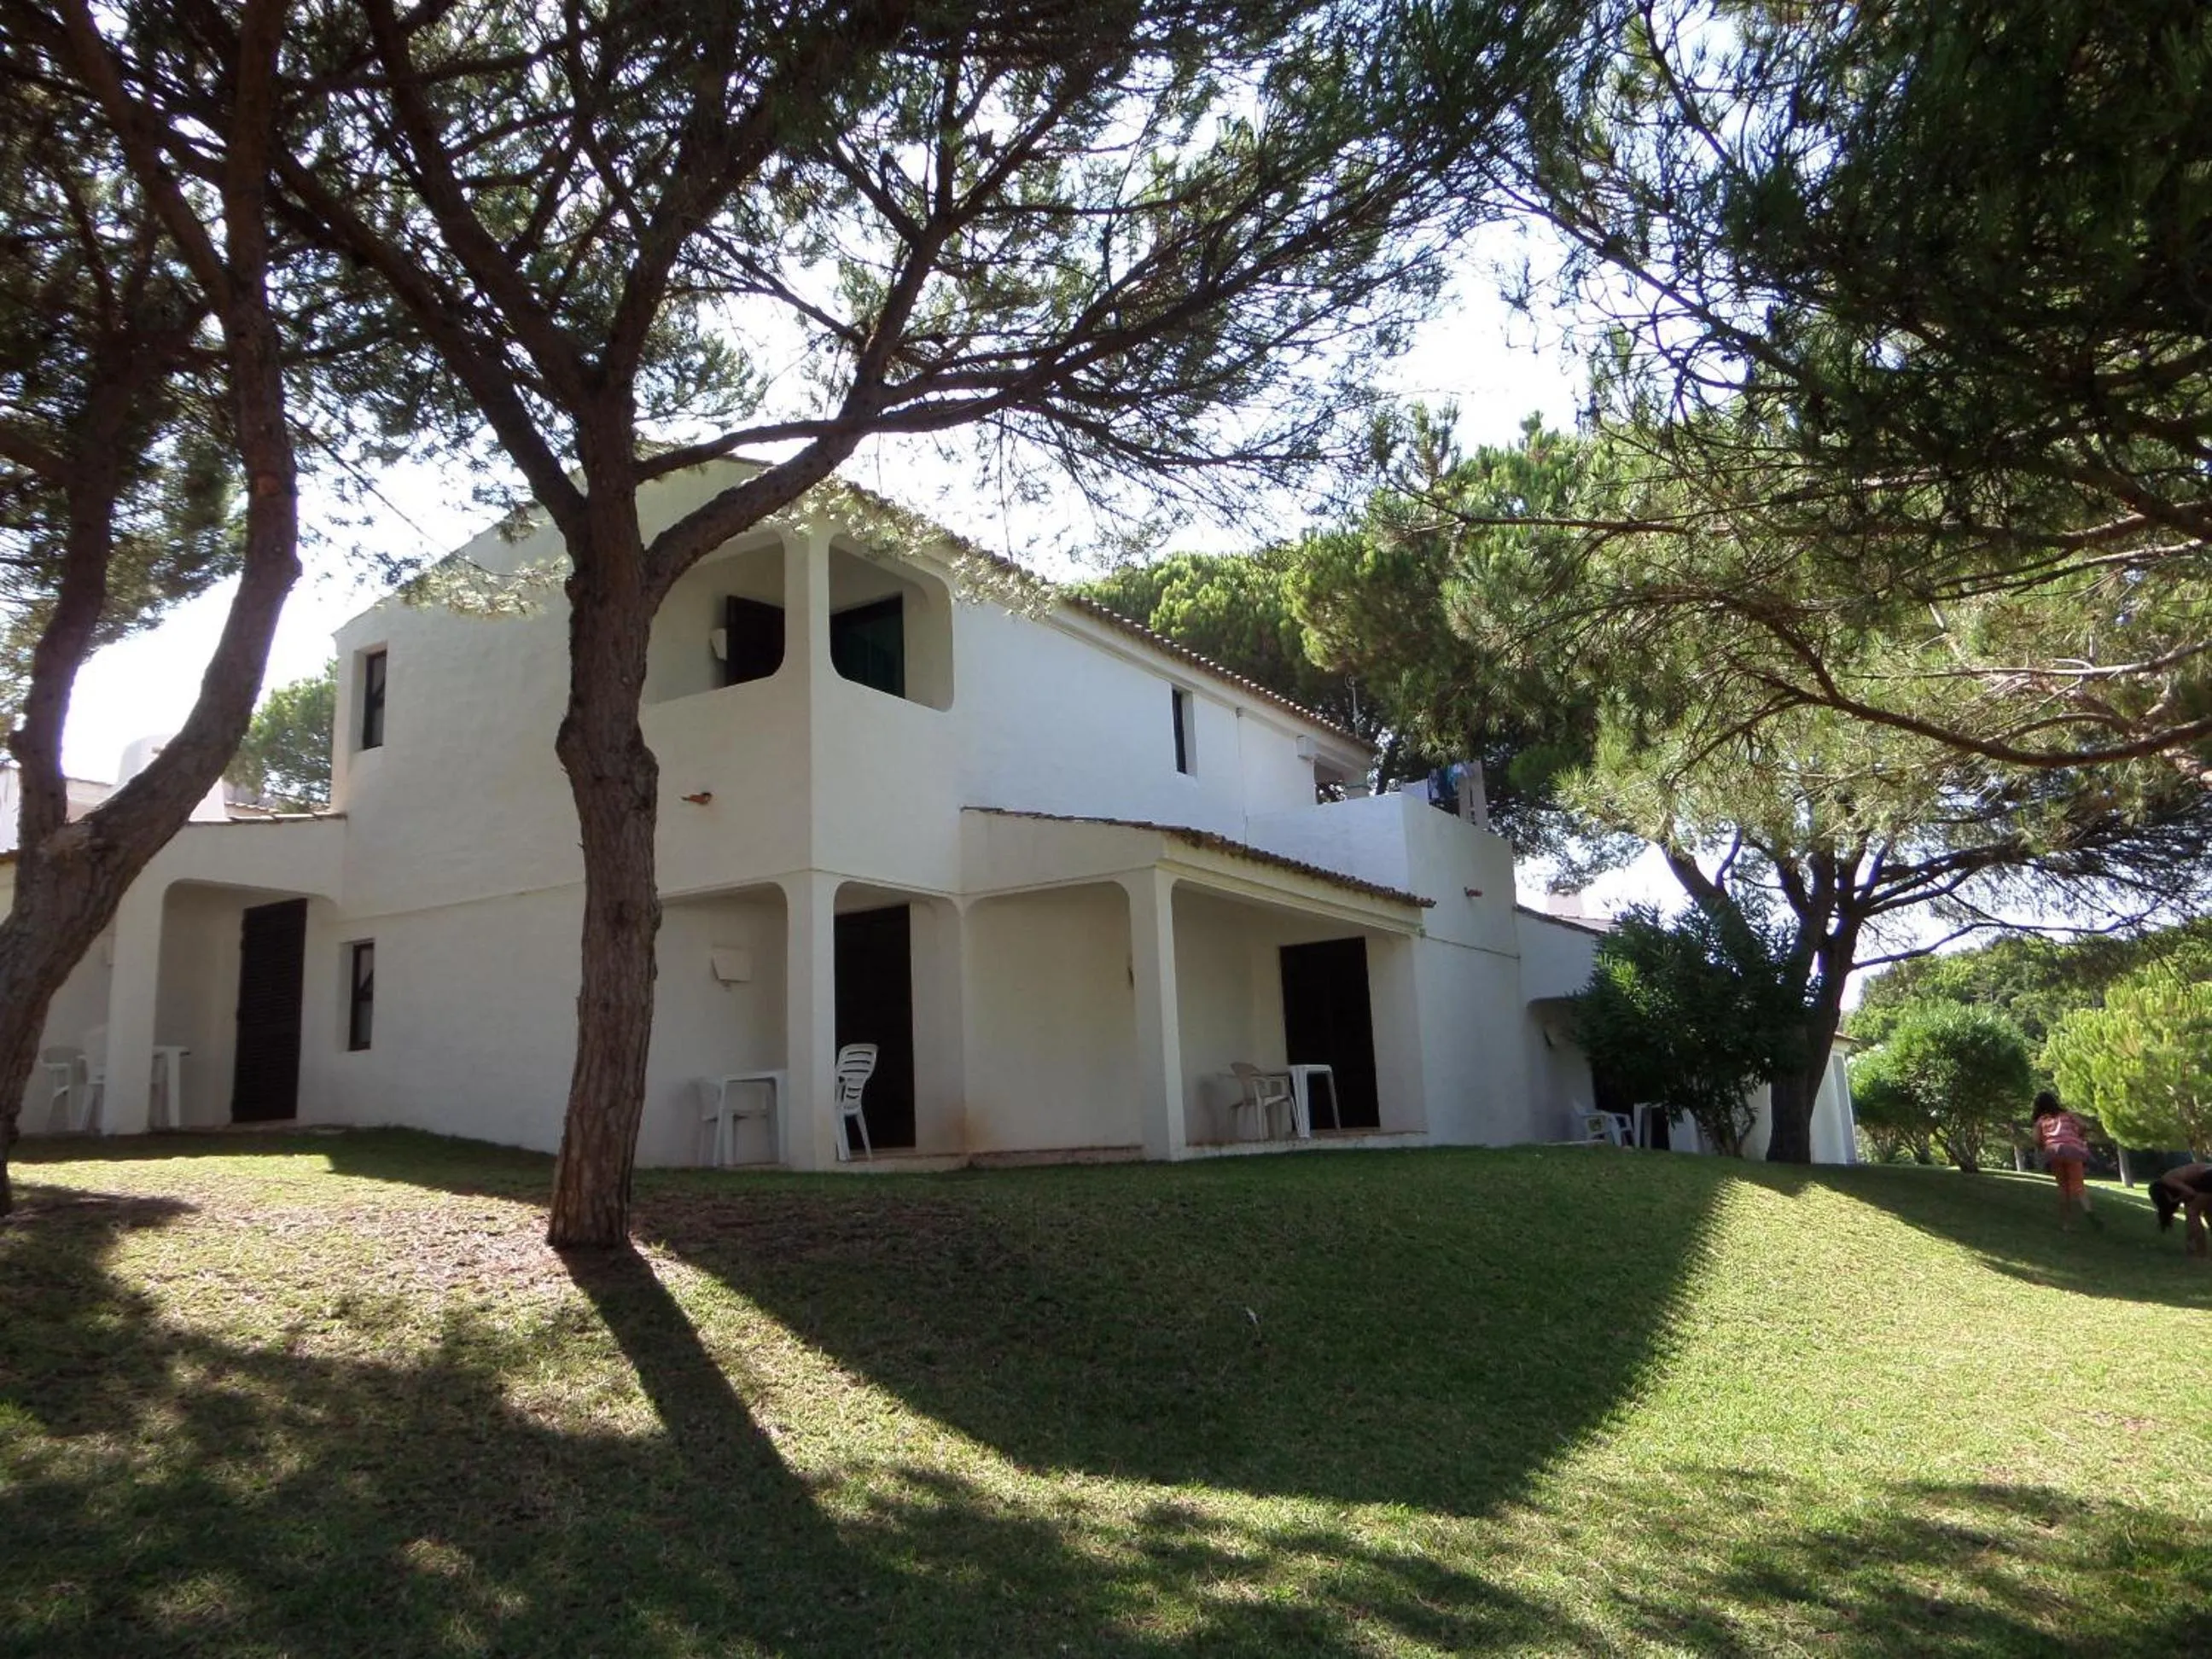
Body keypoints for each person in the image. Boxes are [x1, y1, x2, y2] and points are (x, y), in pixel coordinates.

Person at [2030, 1090, 2098, 1231]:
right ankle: (2088, 1211)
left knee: (2063, 1188)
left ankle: (2067, 1224)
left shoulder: (2041, 1120)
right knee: (2078, 1186)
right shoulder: (2067, 1114)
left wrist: (2044, 1147)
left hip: (2054, 1152)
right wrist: (2078, 1136)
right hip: (2072, 1151)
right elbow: (2083, 1126)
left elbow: (2036, 1139)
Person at [2148, 1163, 2212, 1259]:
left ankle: (2200, 1253)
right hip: (2207, 1175)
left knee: (2192, 1212)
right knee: (2208, 1213)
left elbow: (2191, 1193)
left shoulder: (2168, 1180)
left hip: (2208, 1176)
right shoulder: (2175, 1181)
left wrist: (2175, 1200)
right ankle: (2195, 1250)